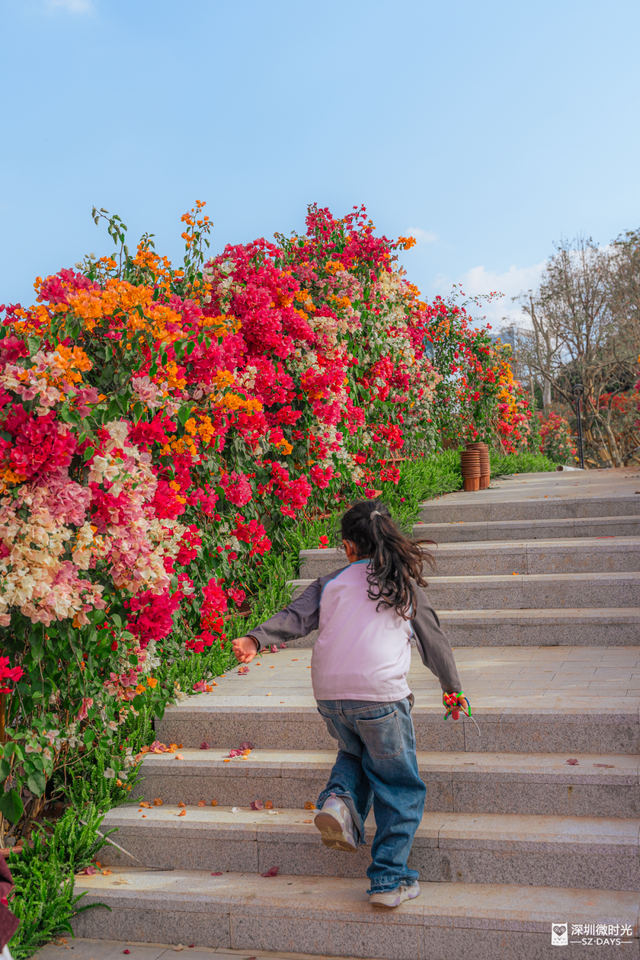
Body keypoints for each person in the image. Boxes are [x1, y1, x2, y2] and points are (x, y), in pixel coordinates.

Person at [232, 499, 469, 908]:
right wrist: (453, 688)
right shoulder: (401, 583)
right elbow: (434, 641)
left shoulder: (332, 581)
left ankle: (339, 803)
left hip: (331, 695)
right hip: (379, 697)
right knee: (398, 785)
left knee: (355, 751)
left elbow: (295, 616)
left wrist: (256, 638)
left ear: (348, 547)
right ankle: (389, 880)